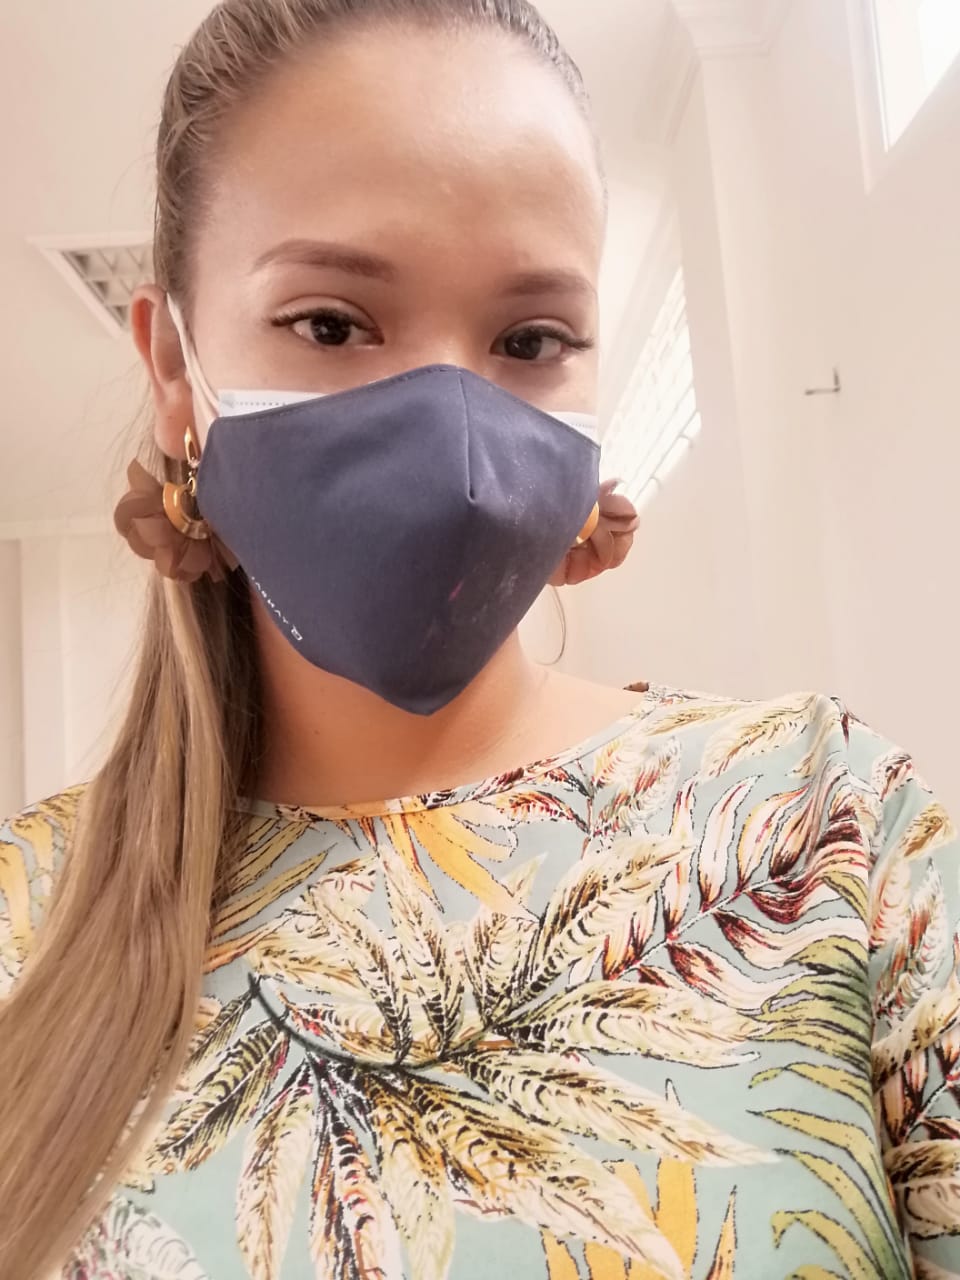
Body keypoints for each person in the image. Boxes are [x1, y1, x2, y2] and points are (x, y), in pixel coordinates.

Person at [1, 0, 957, 1276]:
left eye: (530, 339)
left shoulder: (825, 824)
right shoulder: (26, 921)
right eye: (332, 322)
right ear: (175, 368)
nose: (455, 438)